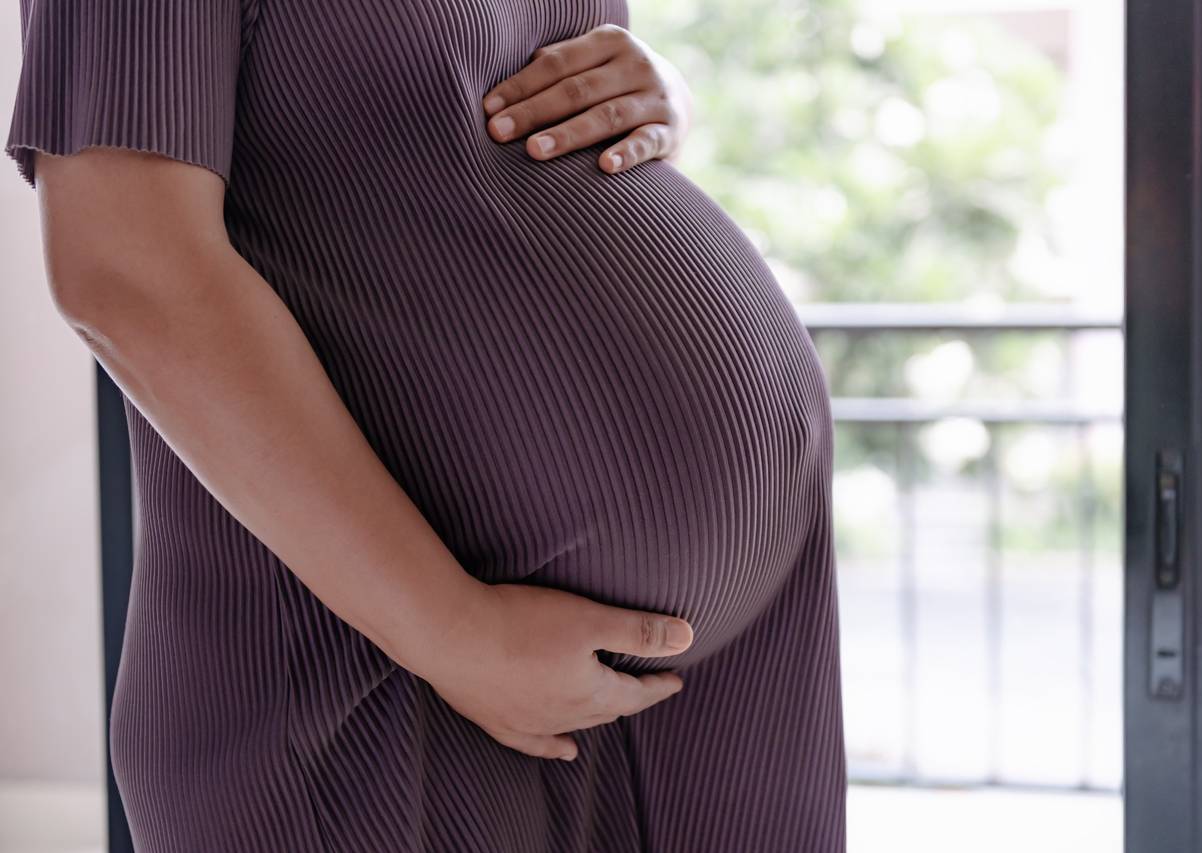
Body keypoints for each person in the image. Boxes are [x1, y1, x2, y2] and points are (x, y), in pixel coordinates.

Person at [5, 0, 847, 849]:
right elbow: (124, 268)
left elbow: (459, 121)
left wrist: (658, 92)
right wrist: (452, 631)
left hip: (715, 688)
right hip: (372, 686)